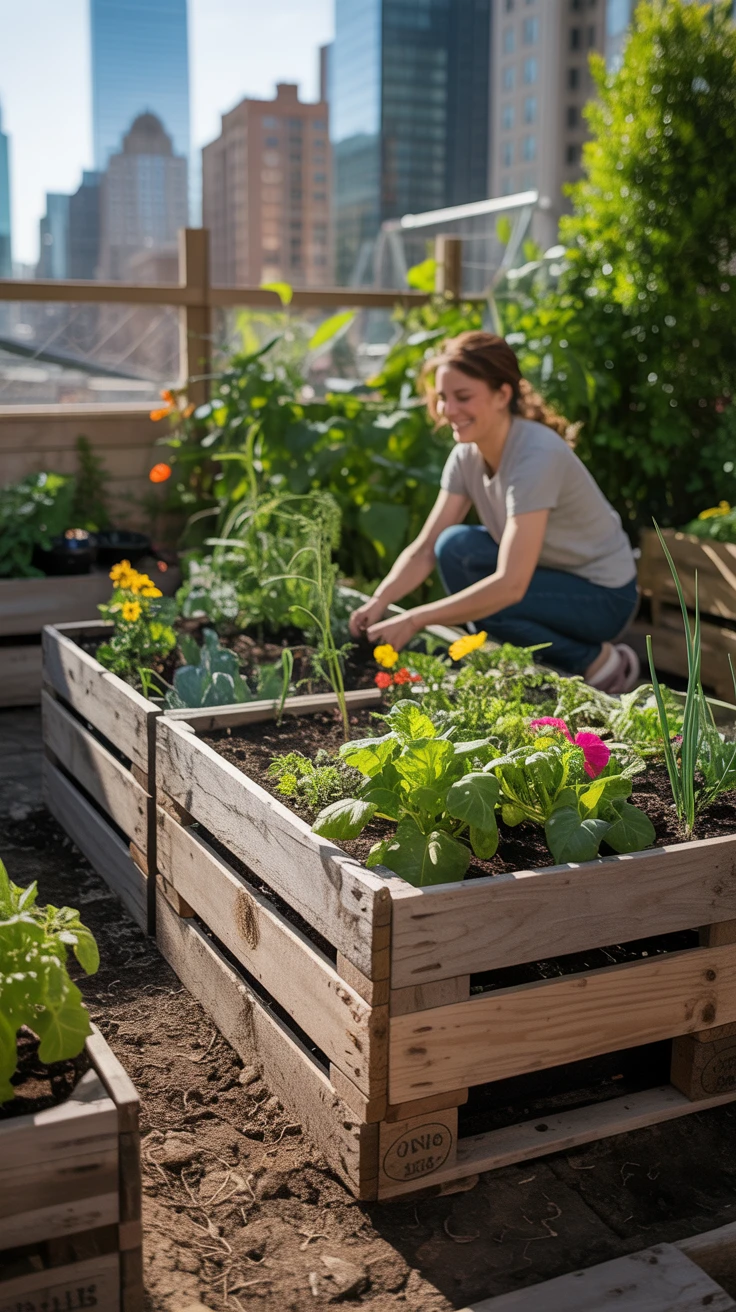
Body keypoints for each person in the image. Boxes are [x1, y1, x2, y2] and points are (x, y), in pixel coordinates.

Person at [349, 331, 640, 693]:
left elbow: (511, 584)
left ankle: (596, 663)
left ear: (503, 394)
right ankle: (527, 659)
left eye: (463, 397)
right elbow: (426, 548)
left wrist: (413, 620)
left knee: (490, 602)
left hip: (603, 596)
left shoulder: (535, 456)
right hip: (547, 574)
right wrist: (379, 602)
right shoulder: (467, 455)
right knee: (454, 548)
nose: (448, 411)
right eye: (443, 398)